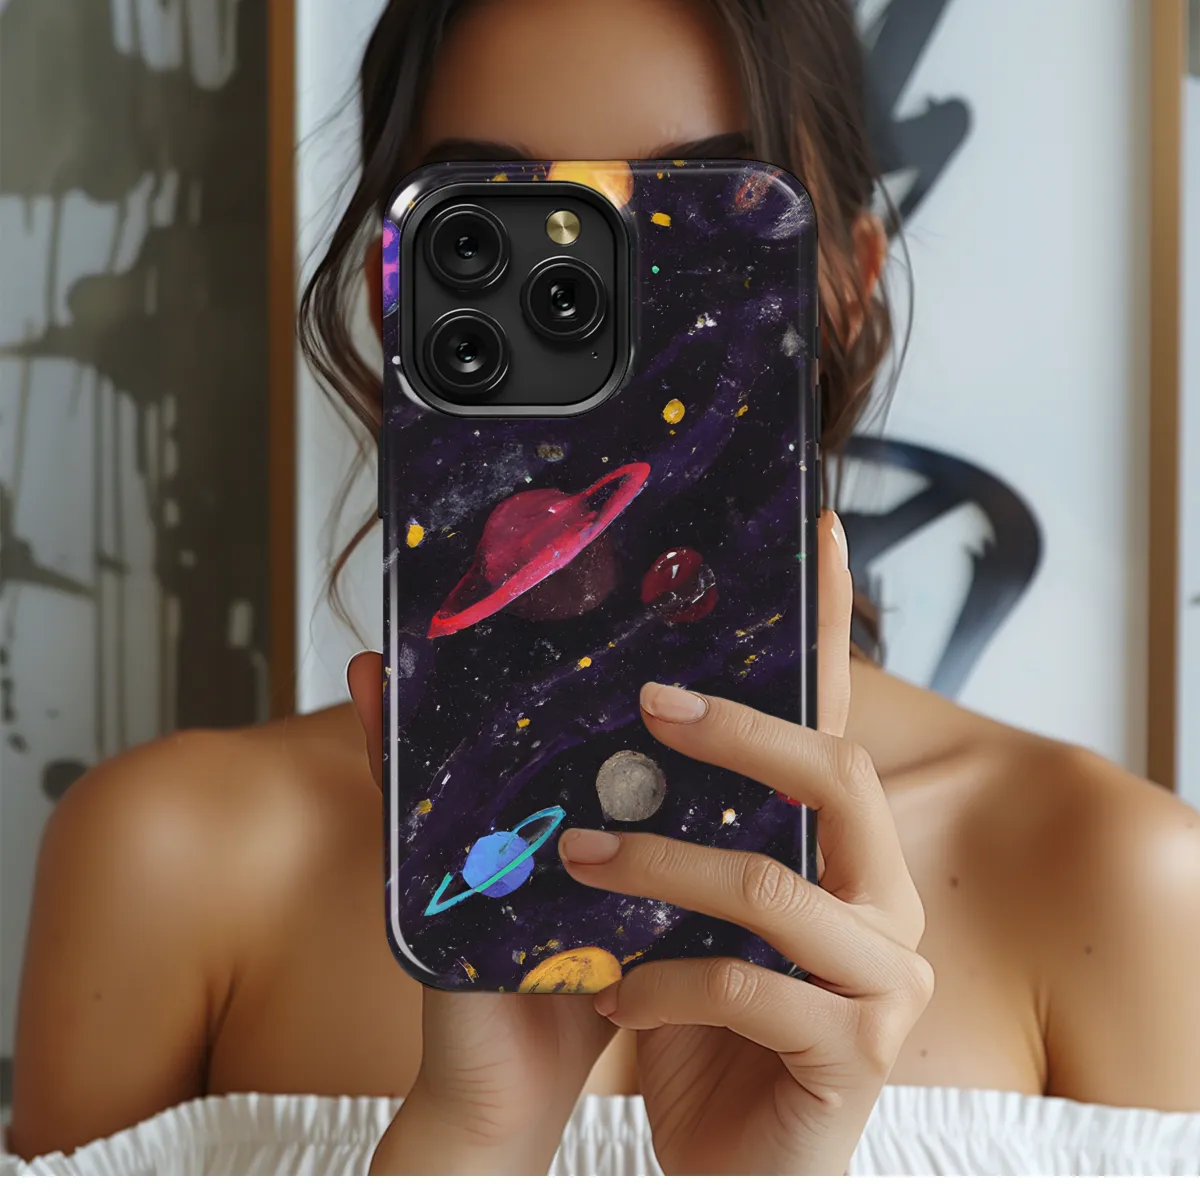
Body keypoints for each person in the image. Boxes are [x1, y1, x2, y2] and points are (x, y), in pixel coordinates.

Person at [7, 0, 1200, 1176]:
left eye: (702, 220)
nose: (596, 301)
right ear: (393, 293)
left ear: (848, 283)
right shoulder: (170, 862)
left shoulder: (1116, 883)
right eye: (492, 230)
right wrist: (473, 1143)